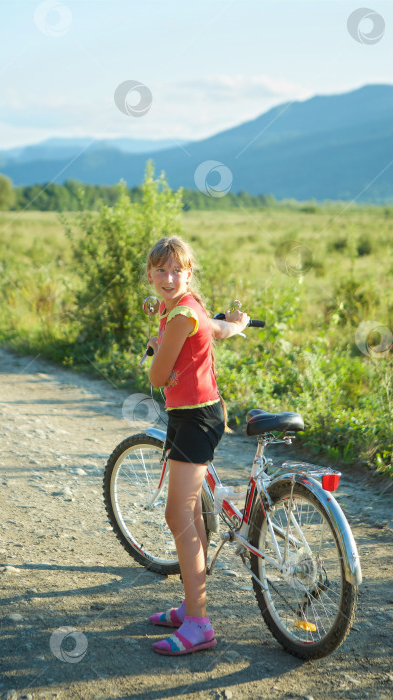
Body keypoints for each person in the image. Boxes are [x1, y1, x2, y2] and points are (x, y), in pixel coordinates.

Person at [145, 236, 249, 656]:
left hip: (196, 420)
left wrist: (151, 355)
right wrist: (238, 324)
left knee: (178, 516)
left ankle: (200, 624)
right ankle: (191, 605)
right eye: (161, 271)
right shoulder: (189, 306)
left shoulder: (180, 316)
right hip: (193, 414)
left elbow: (156, 377)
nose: (169, 278)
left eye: (177, 271)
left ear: (188, 274)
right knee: (187, 513)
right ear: (150, 274)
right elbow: (219, 329)